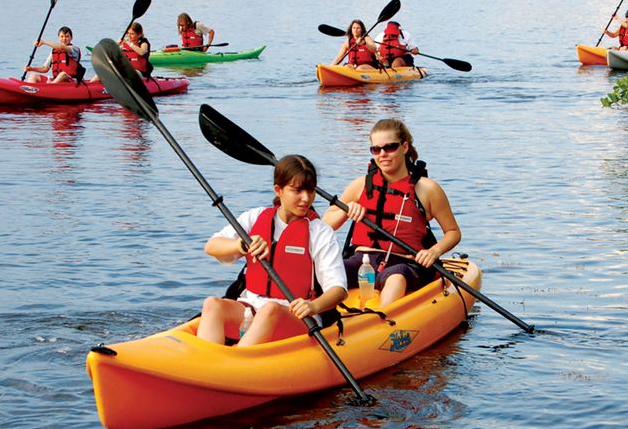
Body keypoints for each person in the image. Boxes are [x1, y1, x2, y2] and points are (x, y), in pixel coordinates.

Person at [196, 155, 348, 346]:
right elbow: (211, 246)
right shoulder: (255, 217)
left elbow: (339, 289)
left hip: (297, 317)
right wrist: (240, 246)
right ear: (279, 190)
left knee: (270, 310)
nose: (306, 198)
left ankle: (236, 365)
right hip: (250, 308)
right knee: (212, 304)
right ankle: (208, 361)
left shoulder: (319, 232)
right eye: (297, 191)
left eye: (311, 191)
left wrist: (313, 305)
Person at [322, 119, 461, 308]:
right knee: (325, 270)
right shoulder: (361, 185)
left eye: (390, 148)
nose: (383, 154)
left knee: (395, 277)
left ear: (404, 147)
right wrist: (346, 211)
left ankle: (382, 322)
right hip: (361, 261)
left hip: (405, 264)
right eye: (376, 149)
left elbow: (453, 232)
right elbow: (325, 224)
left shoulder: (427, 189)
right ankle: (317, 316)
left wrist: (433, 251)